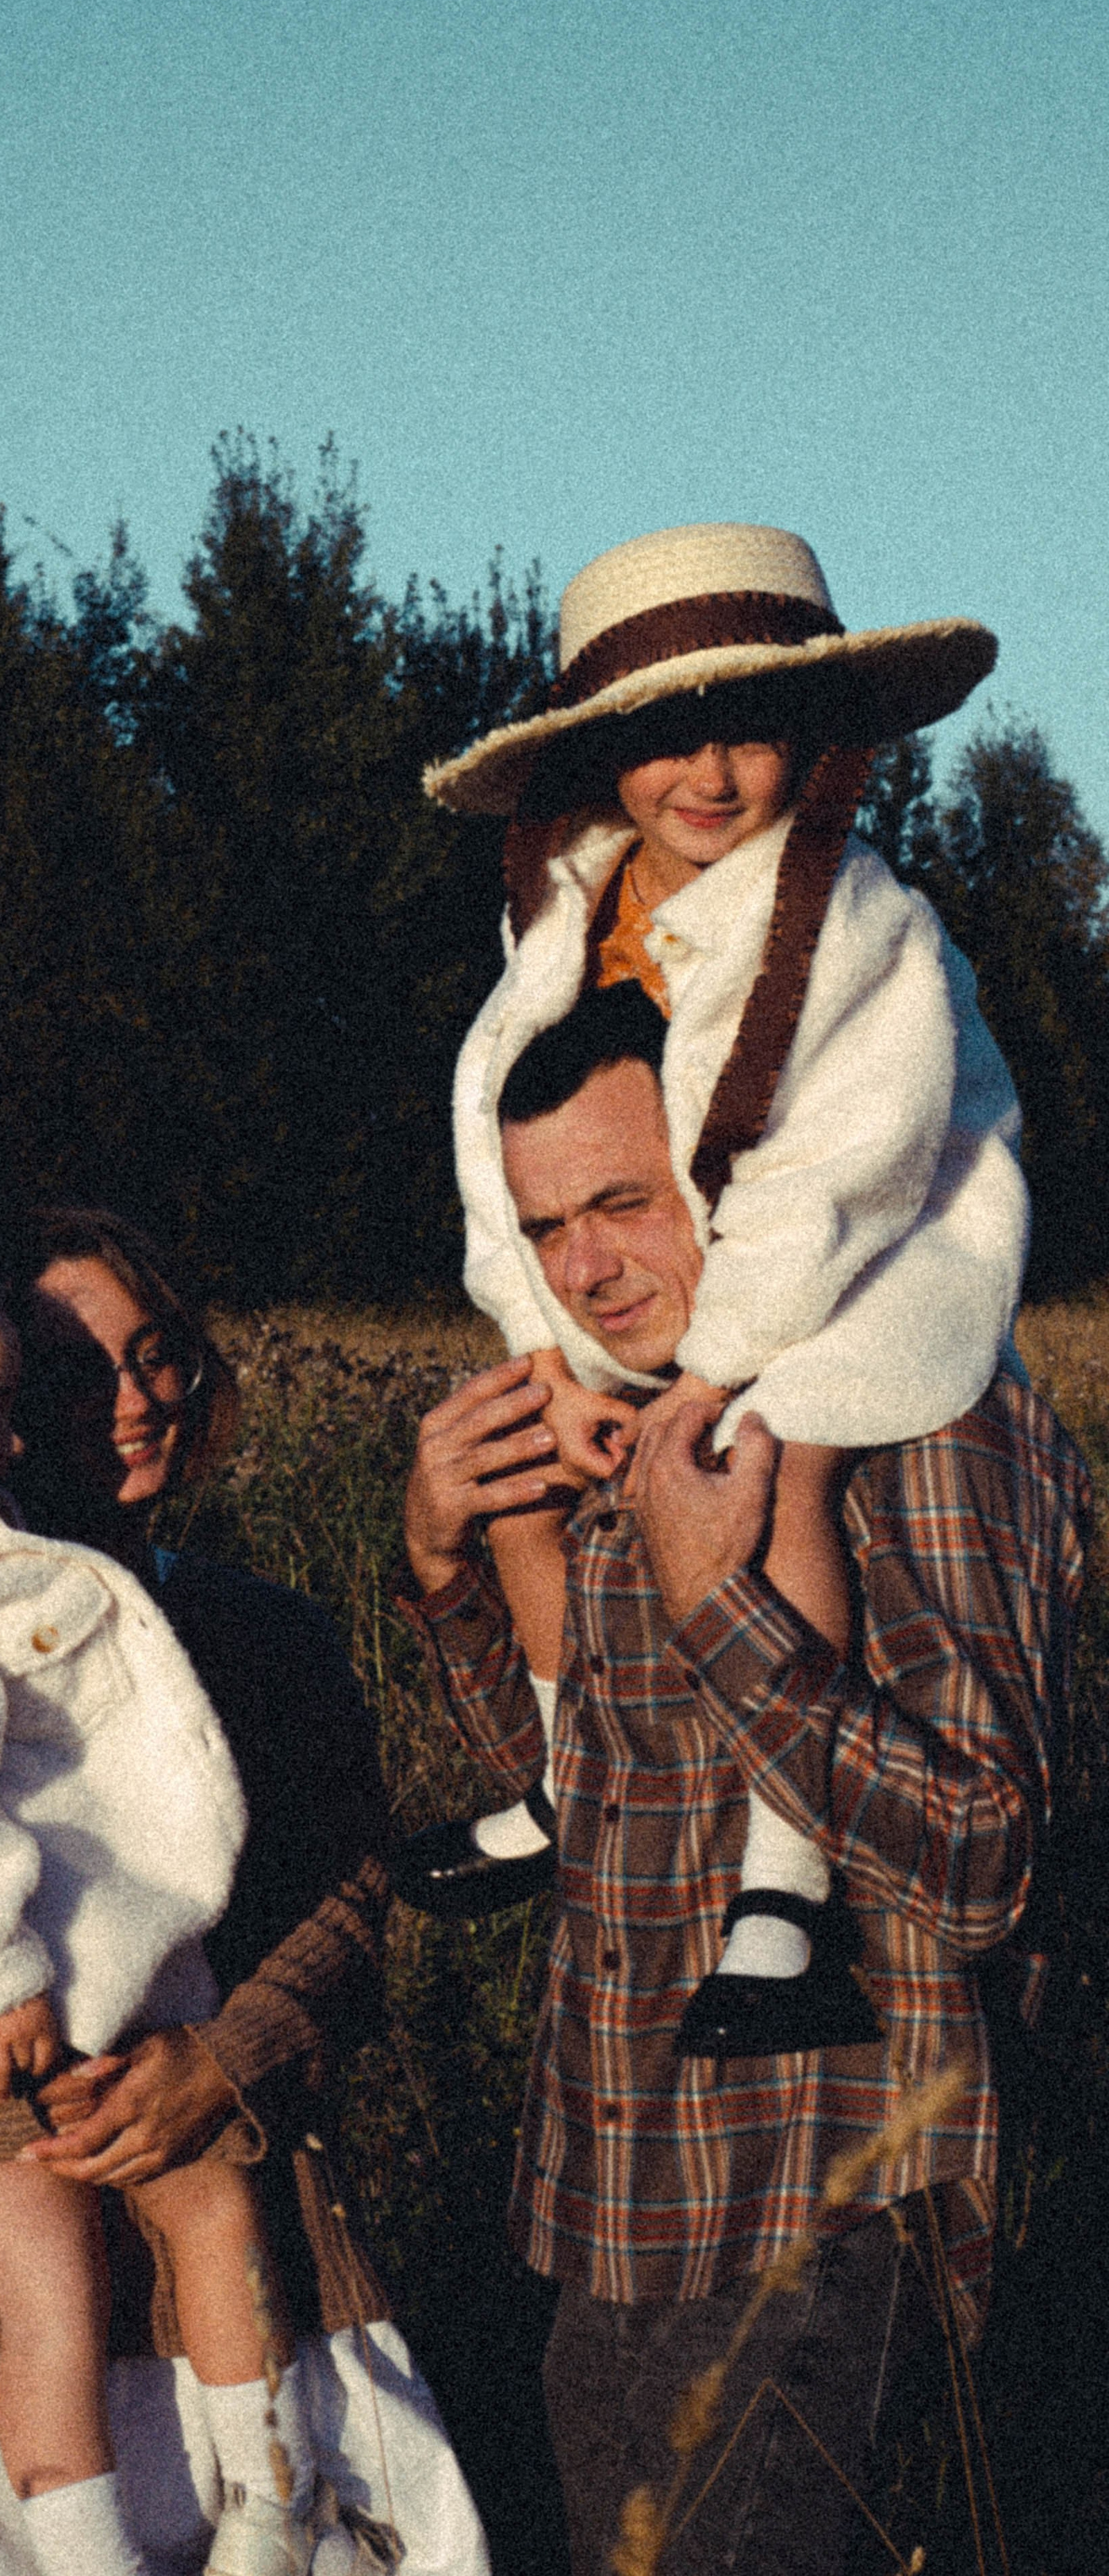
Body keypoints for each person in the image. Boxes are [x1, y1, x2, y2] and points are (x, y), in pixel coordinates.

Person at [397, 986, 1086, 2575]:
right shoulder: (628, 1410)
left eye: (623, 1204)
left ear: (744, 1182)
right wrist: (441, 1560)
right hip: (615, 2192)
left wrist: (721, 1604)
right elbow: (575, 1797)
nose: (583, 1267)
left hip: (815, 2199)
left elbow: (983, 1864)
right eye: (545, 1226)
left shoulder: (923, 1425)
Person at [0, 1208, 491, 2576]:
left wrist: (220, 2063)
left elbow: (345, 1897)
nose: (134, 1400)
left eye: (156, 1357)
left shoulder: (261, 1633)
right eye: (78, 1370)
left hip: (227, 2225)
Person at [399, 523, 1026, 2053]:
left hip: (870, 1254)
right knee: (531, 1457)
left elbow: (842, 1165)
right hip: (688, 1269)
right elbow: (502, 1117)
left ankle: (783, 1892)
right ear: (599, 756)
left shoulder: (856, 919)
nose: (708, 773)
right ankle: (564, 1771)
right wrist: (545, 1344)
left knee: (774, 1460)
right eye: (660, 736)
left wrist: (718, 1365)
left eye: (748, 728)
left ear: (815, 738)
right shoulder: (571, 908)